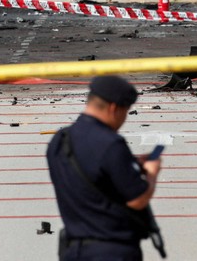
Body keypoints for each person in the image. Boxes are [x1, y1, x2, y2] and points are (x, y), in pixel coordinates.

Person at [47, 75, 162, 261]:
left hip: (73, 250)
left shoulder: (60, 140)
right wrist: (151, 172)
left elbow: (91, 174)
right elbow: (137, 199)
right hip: (111, 250)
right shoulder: (111, 144)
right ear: (114, 108)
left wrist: (128, 165)